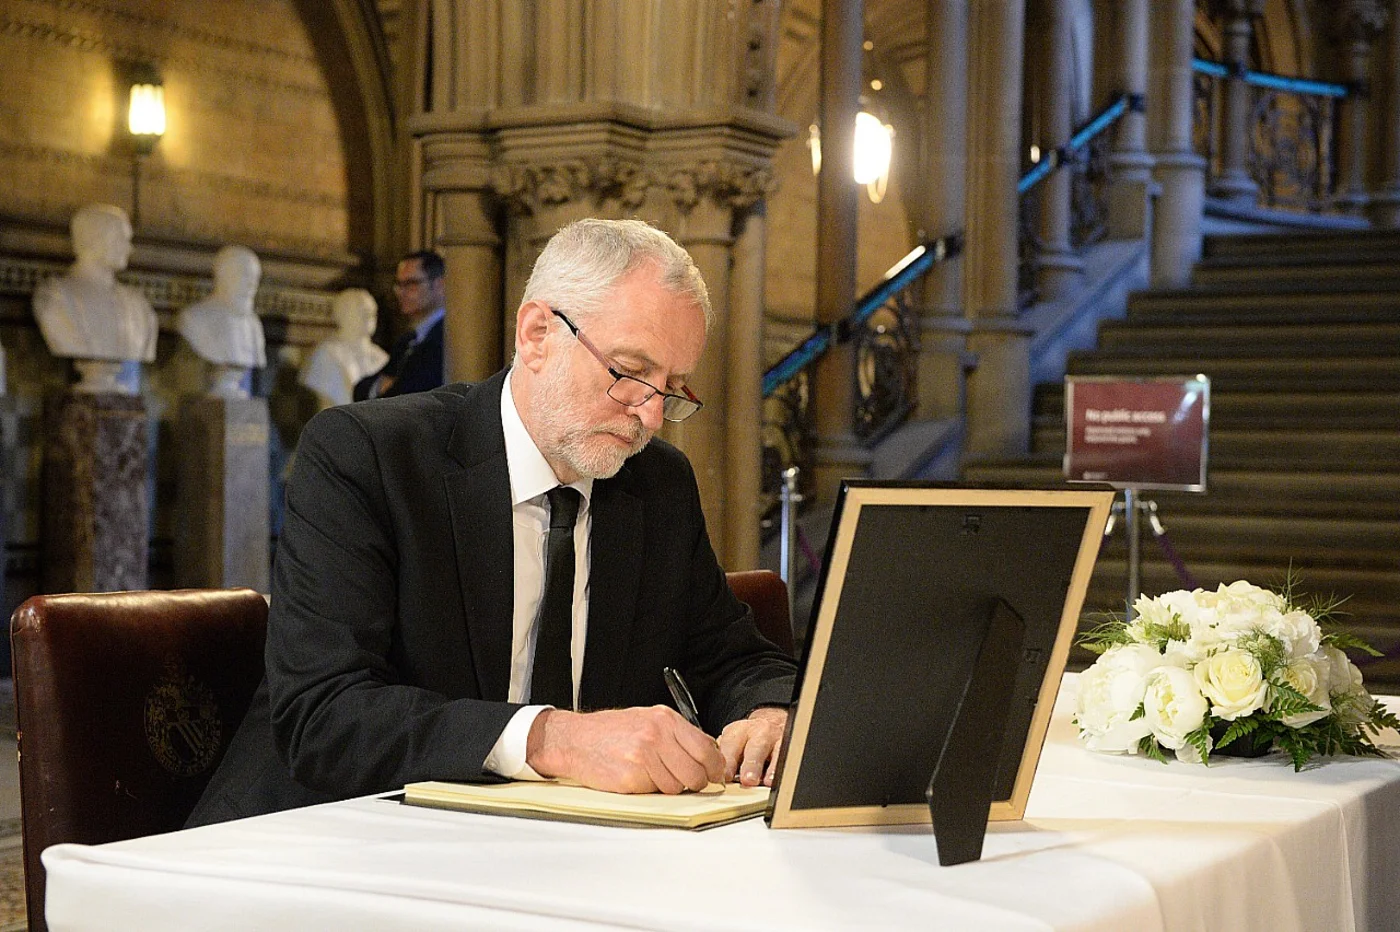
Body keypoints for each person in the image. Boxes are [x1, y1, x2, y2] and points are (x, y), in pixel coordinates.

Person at [187, 219, 795, 826]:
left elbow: (731, 657)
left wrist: (769, 714)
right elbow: (325, 714)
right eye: (630, 374)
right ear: (536, 335)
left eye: (675, 387)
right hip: (327, 842)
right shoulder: (368, 457)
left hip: (558, 852)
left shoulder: (655, 484)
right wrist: (555, 740)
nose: (653, 416)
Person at [33, 203, 157, 393]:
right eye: (122, 239)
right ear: (97, 239)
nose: (130, 249)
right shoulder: (55, 297)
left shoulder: (138, 304)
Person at [352, 249, 447, 400]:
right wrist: (380, 387)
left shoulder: (446, 337)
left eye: (410, 284)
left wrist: (389, 387)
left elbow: (407, 395)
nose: (400, 292)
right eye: (398, 284)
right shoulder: (406, 340)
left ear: (439, 285)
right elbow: (360, 390)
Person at [177, 245, 266, 398]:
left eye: (255, 278)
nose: (252, 284)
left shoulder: (254, 325)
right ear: (224, 276)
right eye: (245, 275)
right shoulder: (195, 317)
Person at [298, 288, 389, 409]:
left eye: (371, 311)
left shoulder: (382, 357)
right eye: (360, 308)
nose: (369, 314)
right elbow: (320, 402)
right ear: (344, 314)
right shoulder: (327, 353)